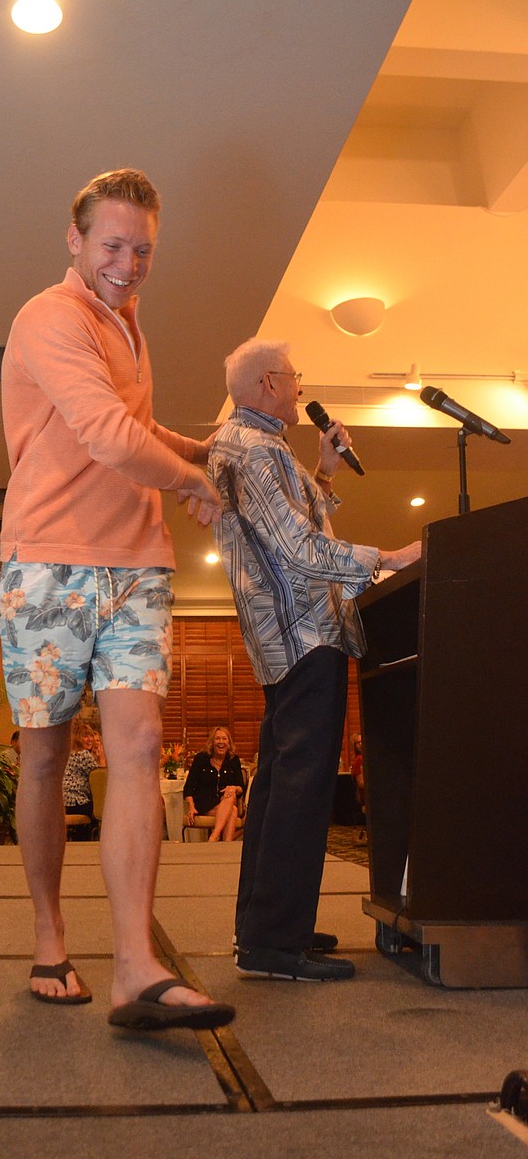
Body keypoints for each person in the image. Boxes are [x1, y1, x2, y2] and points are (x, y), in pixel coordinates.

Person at [0, 168, 234, 1031]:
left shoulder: (130, 324)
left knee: (138, 744)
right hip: (49, 562)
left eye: (142, 250)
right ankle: (50, 934)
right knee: (48, 759)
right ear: (75, 240)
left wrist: (205, 447)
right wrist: (193, 484)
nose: (129, 265)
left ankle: (136, 962)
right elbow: (101, 433)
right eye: (113, 247)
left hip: (136, 565)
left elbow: (137, 420)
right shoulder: (50, 316)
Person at [208, 338, 421, 981]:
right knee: (298, 790)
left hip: (295, 635)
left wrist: (325, 469)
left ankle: (270, 928)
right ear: (269, 383)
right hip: (303, 634)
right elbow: (296, 548)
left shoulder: (263, 447)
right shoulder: (249, 449)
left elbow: (300, 523)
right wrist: (387, 558)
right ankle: (276, 941)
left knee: (278, 786)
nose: (302, 388)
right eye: (296, 378)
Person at [183, 726, 247, 841]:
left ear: (229, 743)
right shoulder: (201, 758)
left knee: (232, 803)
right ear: (212, 742)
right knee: (232, 810)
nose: (221, 742)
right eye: (217, 739)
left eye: (224, 739)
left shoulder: (233, 760)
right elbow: (189, 787)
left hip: (226, 801)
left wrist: (234, 788)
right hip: (204, 804)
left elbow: (241, 787)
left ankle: (214, 837)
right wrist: (191, 807)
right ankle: (221, 843)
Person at [63, 717, 106, 839]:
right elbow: (100, 776)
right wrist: (102, 757)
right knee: (104, 810)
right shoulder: (83, 754)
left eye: (91, 736)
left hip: (64, 801)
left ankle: (80, 838)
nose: (90, 739)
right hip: (76, 801)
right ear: (78, 738)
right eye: (86, 736)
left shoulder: (71, 753)